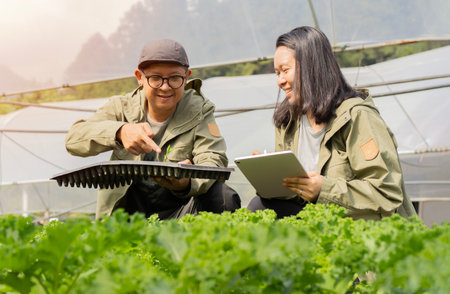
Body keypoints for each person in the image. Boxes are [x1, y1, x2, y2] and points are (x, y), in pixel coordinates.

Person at [247, 26, 416, 220]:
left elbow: (387, 192)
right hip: (315, 220)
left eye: (285, 70)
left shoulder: (357, 116)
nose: (280, 80)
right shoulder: (287, 122)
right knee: (259, 207)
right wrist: (271, 176)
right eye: (277, 73)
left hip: (358, 226)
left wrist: (324, 190)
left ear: (311, 66)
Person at [66, 39, 241, 220]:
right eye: (155, 78)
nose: (165, 87)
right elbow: (73, 139)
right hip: (127, 212)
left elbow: (213, 157)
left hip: (178, 211)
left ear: (186, 77)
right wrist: (120, 132)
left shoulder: (199, 110)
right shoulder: (121, 107)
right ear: (140, 77)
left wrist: (188, 183)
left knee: (223, 195)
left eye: (174, 78)